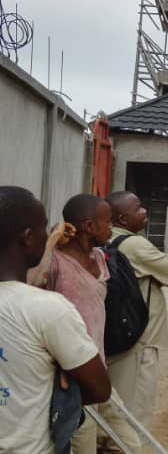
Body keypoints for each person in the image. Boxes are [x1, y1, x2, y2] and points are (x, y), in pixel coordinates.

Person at [0, 186, 112, 454]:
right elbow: (99, 389)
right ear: (28, 237)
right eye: (45, 227)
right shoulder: (49, 309)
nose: (50, 233)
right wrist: (56, 374)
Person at [31, 194, 140, 454]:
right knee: (84, 445)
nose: (112, 227)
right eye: (108, 221)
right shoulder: (55, 262)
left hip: (96, 370)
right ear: (89, 226)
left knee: (129, 444)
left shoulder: (101, 259)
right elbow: (32, 285)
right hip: (70, 377)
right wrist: (52, 241)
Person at [105, 191, 168, 434]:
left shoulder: (106, 240)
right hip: (141, 338)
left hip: (116, 334)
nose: (145, 211)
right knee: (135, 406)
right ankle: (129, 446)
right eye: (138, 208)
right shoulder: (135, 245)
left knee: (117, 398)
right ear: (123, 219)